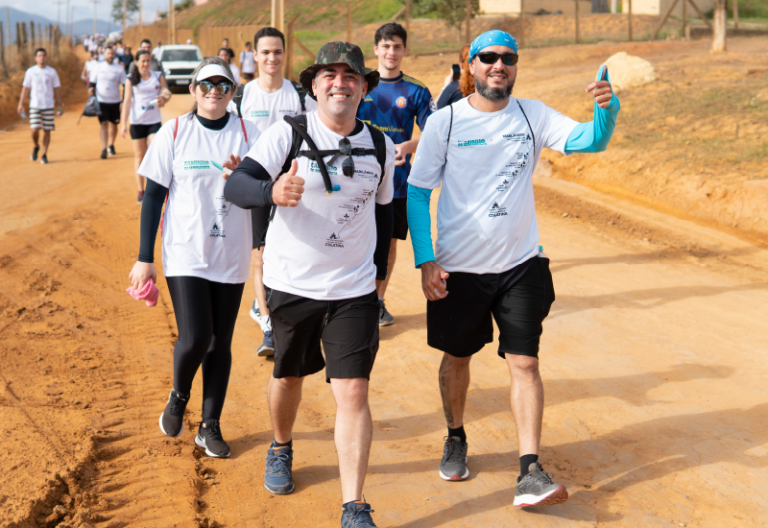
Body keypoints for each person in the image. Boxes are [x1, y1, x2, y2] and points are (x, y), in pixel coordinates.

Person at [407, 30, 620, 507]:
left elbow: (590, 141)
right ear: (472, 65)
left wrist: (606, 108)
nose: (498, 65)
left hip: (521, 265)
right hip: (459, 269)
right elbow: (418, 193)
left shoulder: (533, 114)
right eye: (488, 57)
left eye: (508, 58)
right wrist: (426, 259)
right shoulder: (445, 122)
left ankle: (530, 470)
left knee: (524, 362)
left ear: (516, 65)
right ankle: (456, 435)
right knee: (457, 358)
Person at [224, 41, 394, 528]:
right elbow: (238, 187)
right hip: (292, 284)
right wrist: (270, 190)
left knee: (354, 393)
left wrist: (379, 282)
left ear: (364, 87)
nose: (339, 83)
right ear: (314, 86)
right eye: (329, 75)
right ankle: (280, 446)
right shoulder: (288, 133)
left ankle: (354, 506)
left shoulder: (378, 145)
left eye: (350, 76)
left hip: (353, 290)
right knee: (288, 377)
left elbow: (383, 214)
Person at [128, 57, 259, 459]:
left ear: (232, 92)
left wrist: (245, 178)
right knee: (197, 336)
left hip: (230, 250)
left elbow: (264, 191)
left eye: (223, 85)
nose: (214, 92)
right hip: (185, 251)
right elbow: (153, 196)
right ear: (193, 89)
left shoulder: (249, 133)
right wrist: (144, 257)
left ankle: (211, 425)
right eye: (206, 84)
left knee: (221, 341)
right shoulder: (175, 132)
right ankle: (179, 393)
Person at [228, 26, 317, 357]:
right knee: (260, 251)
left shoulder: (299, 95)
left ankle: (284, 307)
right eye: (265, 52)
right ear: (255, 55)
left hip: (294, 183)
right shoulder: (242, 96)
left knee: (294, 247)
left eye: (277, 52)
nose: (272, 58)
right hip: (257, 184)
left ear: (285, 54)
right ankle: (268, 325)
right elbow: (231, 135)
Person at [356, 22, 435, 327]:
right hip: (358, 180)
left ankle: (377, 301)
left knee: (388, 244)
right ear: (375, 49)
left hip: (398, 183)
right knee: (353, 238)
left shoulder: (416, 90)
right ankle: (350, 300)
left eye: (397, 46)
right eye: (386, 46)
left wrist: (412, 143)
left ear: (405, 50)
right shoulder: (359, 85)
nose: (391, 52)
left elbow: (435, 132)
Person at [120, 49, 169, 204]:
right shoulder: (131, 79)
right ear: (136, 62)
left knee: (153, 151)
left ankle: (152, 188)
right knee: (139, 157)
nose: (146, 64)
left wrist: (164, 99)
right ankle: (141, 190)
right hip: (137, 123)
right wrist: (123, 124)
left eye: (148, 61)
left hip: (154, 121)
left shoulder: (157, 76)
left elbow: (166, 91)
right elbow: (127, 102)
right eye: (143, 61)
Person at [17, 48, 62, 165]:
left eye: (43, 55)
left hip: (48, 105)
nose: (42, 58)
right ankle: (36, 145)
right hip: (35, 105)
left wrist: (60, 104)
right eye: (39, 56)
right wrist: (20, 103)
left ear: (46, 57)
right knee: (34, 129)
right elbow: (25, 88)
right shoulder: (30, 71)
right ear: (35, 58)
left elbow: (57, 88)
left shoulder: (52, 72)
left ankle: (44, 154)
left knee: (47, 130)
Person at [90, 45, 126, 159]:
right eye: (108, 53)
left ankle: (111, 144)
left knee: (114, 124)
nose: (110, 56)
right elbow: (91, 84)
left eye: (112, 54)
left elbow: (125, 86)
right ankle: (104, 148)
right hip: (102, 101)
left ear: (114, 55)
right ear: (104, 54)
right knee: (103, 123)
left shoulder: (119, 68)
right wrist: (91, 95)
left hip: (115, 101)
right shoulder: (98, 67)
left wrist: (123, 101)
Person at [436, 45, 468, 109]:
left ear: (461, 65)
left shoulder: (454, 87)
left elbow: (435, 109)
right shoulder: (486, 85)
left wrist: (445, 87)